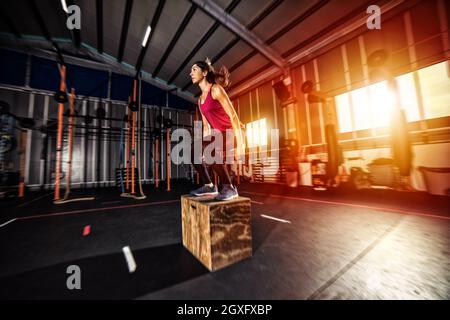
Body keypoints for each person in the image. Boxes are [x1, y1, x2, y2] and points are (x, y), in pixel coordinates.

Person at [189, 58, 245, 201]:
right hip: (218, 136)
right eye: (191, 70)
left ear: (205, 72)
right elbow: (207, 127)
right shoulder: (200, 100)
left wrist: (241, 145)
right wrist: (201, 148)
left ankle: (229, 188)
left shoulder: (216, 89)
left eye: (194, 69)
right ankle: (209, 185)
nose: (191, 73)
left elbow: (233, 115)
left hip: (231, 133)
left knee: (210, 147)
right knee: (193, 148)